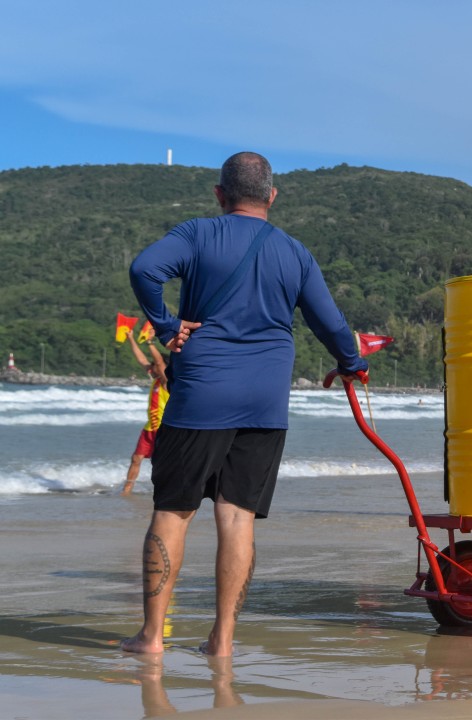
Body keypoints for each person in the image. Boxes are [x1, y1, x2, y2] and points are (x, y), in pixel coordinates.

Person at [123, 152, 367, 657]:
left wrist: (168, 326)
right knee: (237, 518)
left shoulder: (198, 234)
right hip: (265, 400)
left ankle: (151, 638)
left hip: (202, 395)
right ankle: (223, 640)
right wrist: (351, 363)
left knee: (173, 511)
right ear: (272, 196)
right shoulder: (295, 253)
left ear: (219, 194)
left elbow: (144, 268)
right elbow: (331, 323)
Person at [122, 326, 169, 495]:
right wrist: (131, 339)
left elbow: (159, 362)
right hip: (150, 428)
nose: (150, 367)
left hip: (165, 429)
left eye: (154, 365)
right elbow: (142, 360)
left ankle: (164, 490)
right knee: (136, 459)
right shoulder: (155, 380)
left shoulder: (166, 381)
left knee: (161, 463)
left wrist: (150, 341)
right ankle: (126, 490)